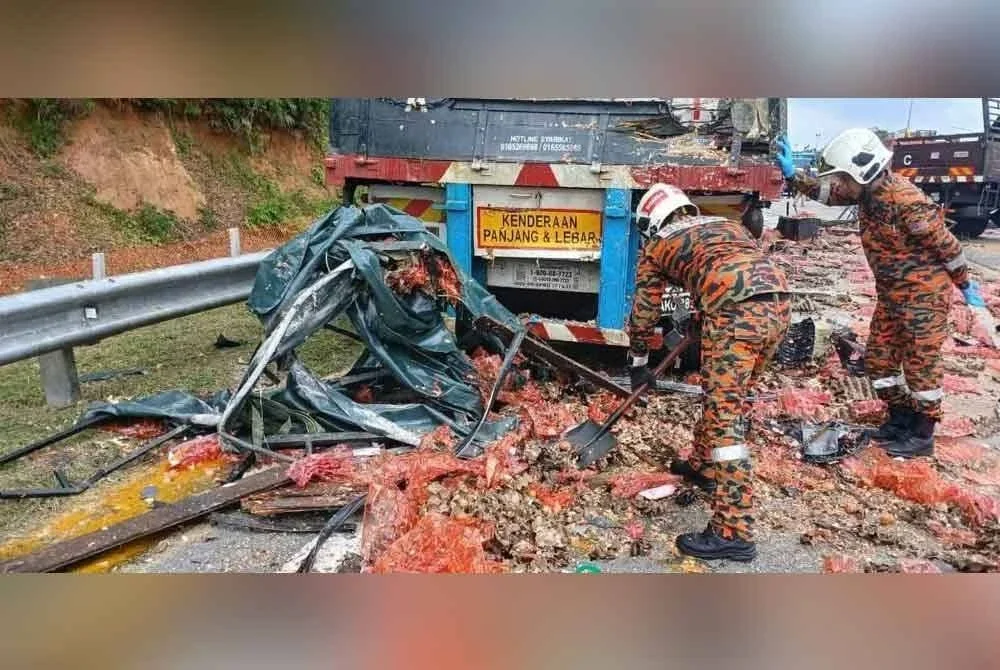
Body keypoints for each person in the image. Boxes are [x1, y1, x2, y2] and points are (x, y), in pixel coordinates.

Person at [775, 129, 986, 458]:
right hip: (891, 295)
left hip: (923, 297)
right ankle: (900, 419)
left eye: (844, 177)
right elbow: (828, 193)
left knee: (921, 366)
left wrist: (966, 286)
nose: (840, 184)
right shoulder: (866, 194)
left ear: (862, 171)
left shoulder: (908, 202)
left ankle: (922, 432)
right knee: (879, 360)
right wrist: (793, 176)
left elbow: (949, 248)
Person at [627, 183, 791, 562]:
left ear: (651, 222)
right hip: (778, 307)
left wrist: (638, 364)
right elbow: (732, 269)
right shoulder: (726, 226)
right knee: (725, 401)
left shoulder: (658, 247)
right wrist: (703, 318)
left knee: (724, 419)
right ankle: (703, 466)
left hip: (736, 316)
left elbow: (644, 316)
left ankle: (733, 533)